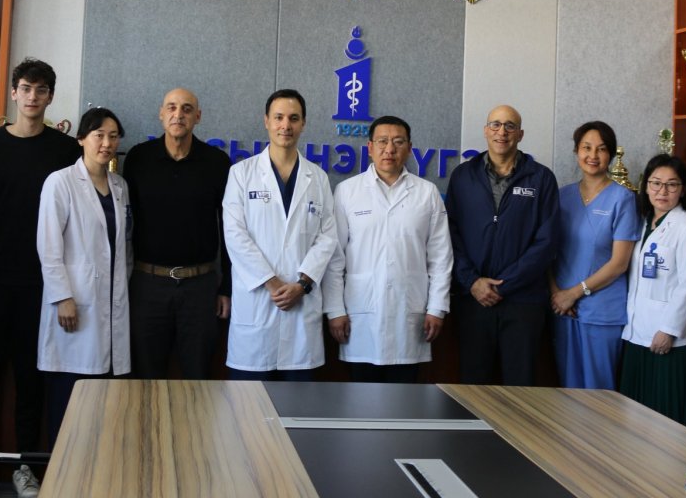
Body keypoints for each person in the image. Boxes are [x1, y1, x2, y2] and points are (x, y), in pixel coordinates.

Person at [0, 58, 80, 495]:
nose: (33, 97)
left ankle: (27, 468)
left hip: (40, 283)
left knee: (32, 380)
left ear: (50, 96)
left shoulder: (65, 149)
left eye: (41, 90)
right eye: (26, 89)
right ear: (14, 93)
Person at [324, 115, 453, 383]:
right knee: (360, 396)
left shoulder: (427, 193)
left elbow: (441, 258)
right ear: (370, 147)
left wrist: (436, 308)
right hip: (359, 314)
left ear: (409, 148)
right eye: (382, 141)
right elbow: (335, 258)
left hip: (410, 314)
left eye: (398, 142)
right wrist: (335, 310)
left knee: (405, 397)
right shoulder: (347, 192)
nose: (390, 149)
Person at [222, 88, 337, 380]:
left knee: (299, 402)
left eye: (293, 118)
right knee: (248, 403)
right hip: (258, 305)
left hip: (301, 305)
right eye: (279, 117)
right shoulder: (241, 173)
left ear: (303, 124)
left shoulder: (318, 177)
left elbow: (327, 237)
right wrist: (272, 283)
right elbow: (235, 235)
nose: (286, 125)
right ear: (266, 121)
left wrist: (302, 285)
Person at [446, 105, 559, 386]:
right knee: (474, 386)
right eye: (495, 125)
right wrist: (472, 281)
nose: (502, 132)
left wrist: (504, 285)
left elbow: (547, 242)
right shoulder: (463, 176)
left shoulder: (541, 178)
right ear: (486, 131)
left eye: (510, 126)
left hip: (523, 302)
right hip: (473, 299)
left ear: (520, 134)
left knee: (520, 387)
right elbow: (450, 235)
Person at [37, 108, 131, 444]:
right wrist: (63, 297)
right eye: (98, 135)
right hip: (74, 305)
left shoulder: (119, 186)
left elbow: (123, 246)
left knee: (105, 411)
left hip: (111, 305)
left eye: (113, 137)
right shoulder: (60, 182)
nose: (107, 143)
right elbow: (48, 246)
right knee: (70, 406)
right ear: (81, 139)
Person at [122, 88, 231, 379]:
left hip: (200, 287)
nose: (178, 115)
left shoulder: (217, 163)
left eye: (186, 109)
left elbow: (229, 229)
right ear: (161, 114)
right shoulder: (138, 159)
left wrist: (226, 287)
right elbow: (125, 225)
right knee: (145, 380)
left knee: (198, 379)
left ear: (198, 116)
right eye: (171, 107)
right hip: (147, 285)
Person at [550, 121, 640, 389]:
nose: (593, 155)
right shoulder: (561, 196)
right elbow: (546, 251)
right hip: (563, 310)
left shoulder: (622, 199)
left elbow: (619, 263)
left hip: (602, 312)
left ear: (610, 154)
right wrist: (557, 294)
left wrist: (574, 293)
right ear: (576, 151)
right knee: (567, 390)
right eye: (586, 148)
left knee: (599, 394)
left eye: (601, 149)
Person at [619, 154, 686, 431]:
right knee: (635, 418)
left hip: (669, 340)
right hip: (637, 333)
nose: (662, 191)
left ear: (683, 189)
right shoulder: (644, 222)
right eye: (656, 183)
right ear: (646, 186)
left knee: (667, 421)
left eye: (671, 185)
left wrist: (669, 329)